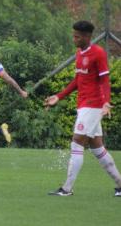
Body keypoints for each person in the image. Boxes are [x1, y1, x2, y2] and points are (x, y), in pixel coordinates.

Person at [45, 20, 121, 197]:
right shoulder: (80, 53)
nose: (74, 39)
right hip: (84, 106)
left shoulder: (98, 54)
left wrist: (106, 102)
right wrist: (59, 96)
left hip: (93, 105)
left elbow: (104, 80)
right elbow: (78, 81)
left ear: (87, 37)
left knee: (77, 141)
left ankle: (66, 188)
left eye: (77, 36)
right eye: (73, 35)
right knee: (97, 148)